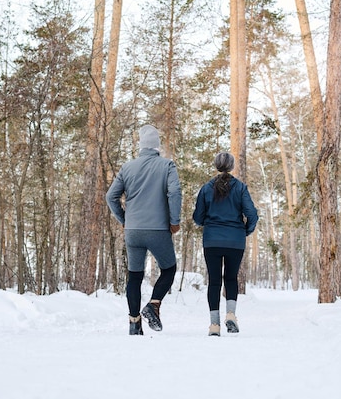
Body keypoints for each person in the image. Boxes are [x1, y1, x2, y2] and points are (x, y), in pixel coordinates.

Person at [106, 125, 182, 335]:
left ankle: (134, 323)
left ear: (140, 145)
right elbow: (174, 192)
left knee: (135, 276)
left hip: (133, 231)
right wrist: (174, 221)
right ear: (157, 146)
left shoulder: (127, 168)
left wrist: (124, 219)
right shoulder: (167, 165)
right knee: (169, 269)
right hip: (158, 229)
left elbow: (110, 197)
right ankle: (154, 304)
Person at [192, 152, 258, 336]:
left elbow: (197, 218)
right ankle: (231, 315)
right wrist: (246, 230)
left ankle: (214, 326)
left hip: (212, 240)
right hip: (235, 241)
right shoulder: (241, 188)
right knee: (231, 279)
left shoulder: (206, 189)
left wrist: (209, 221)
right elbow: (252, 214)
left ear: (216, 166)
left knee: (214, 282)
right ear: (232, 166)